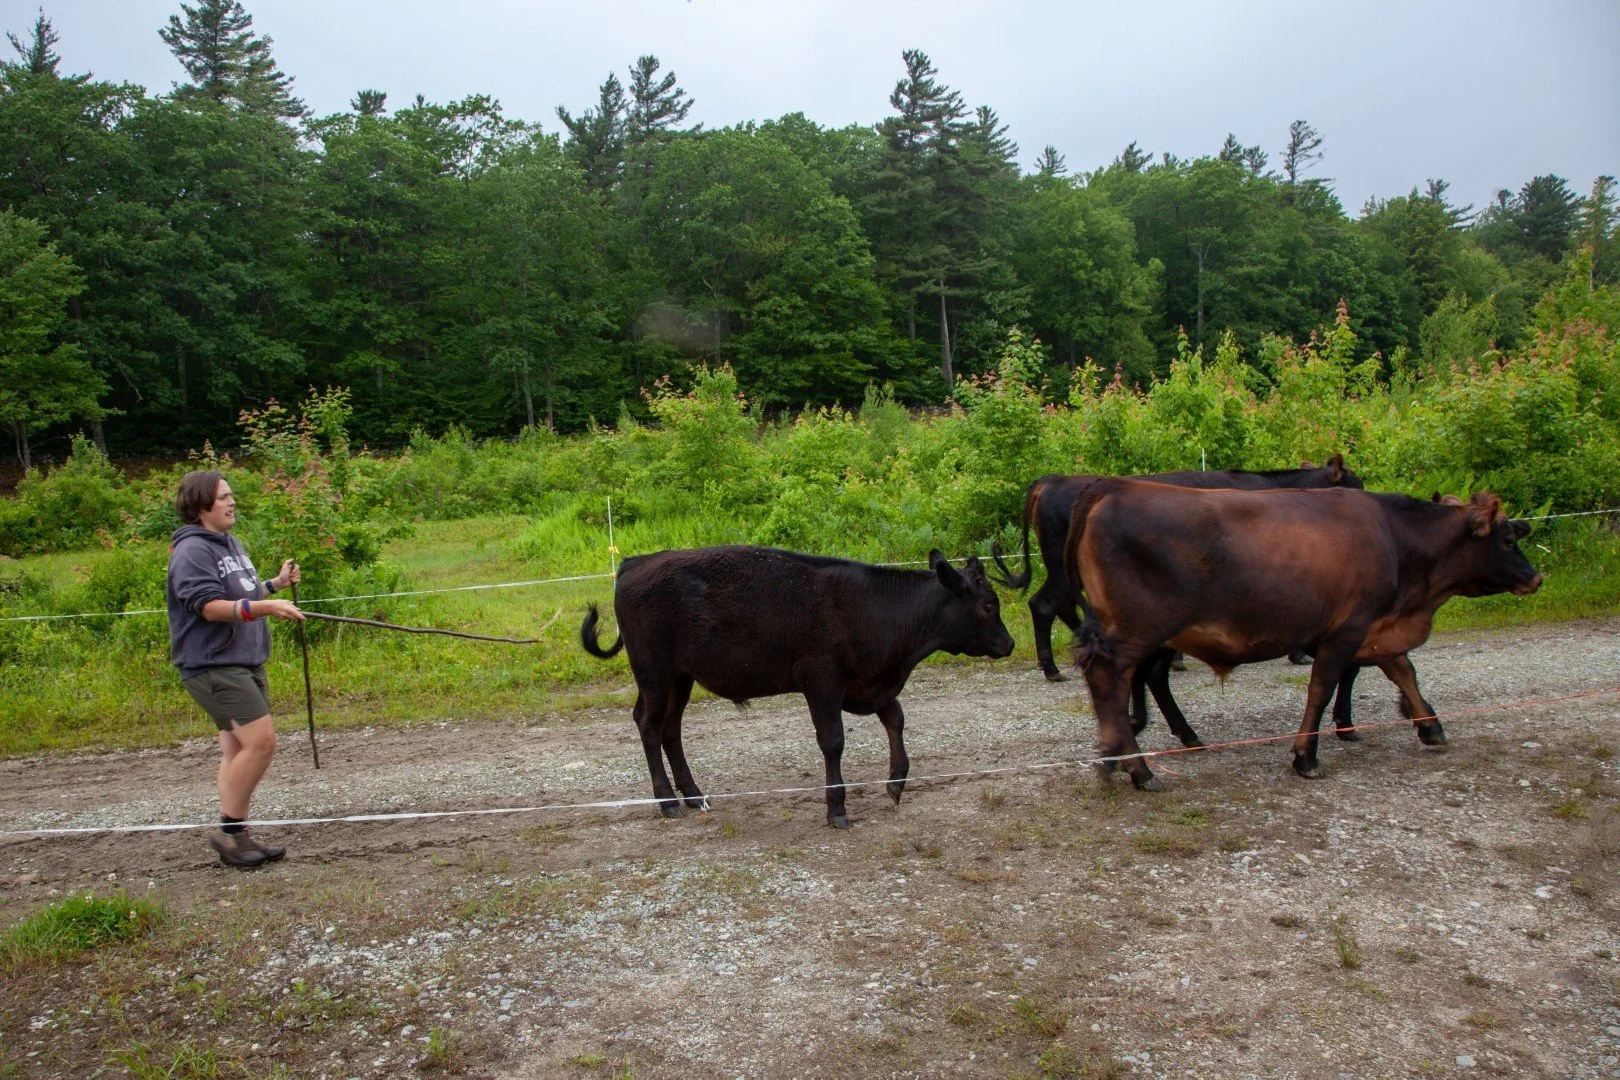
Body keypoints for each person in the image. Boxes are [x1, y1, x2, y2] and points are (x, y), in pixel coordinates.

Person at [166, 470, 305, 868]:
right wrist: (266, 608)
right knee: (261, 743)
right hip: (214, 665)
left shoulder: (230, 544)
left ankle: (237, 837)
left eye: (231, 495)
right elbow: (209, 607)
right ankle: (229, 834)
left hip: (242, 661)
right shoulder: (192, 551)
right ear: (200, 505)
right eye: (223, 497)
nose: (232, 502)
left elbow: (241, 594)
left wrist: (275, 585)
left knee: (237, 749)